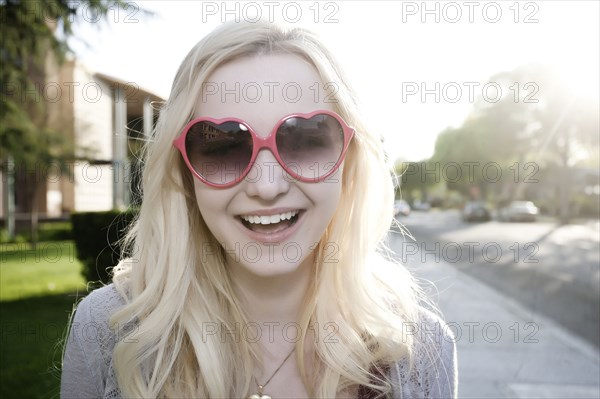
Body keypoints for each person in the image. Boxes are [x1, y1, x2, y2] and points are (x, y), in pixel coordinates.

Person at [61, 21, 457, 398]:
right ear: (184, 172)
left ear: (348, 160)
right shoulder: (106, 333)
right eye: (223, 146)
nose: (267, 187)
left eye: (304, 138)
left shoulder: (420, 352)